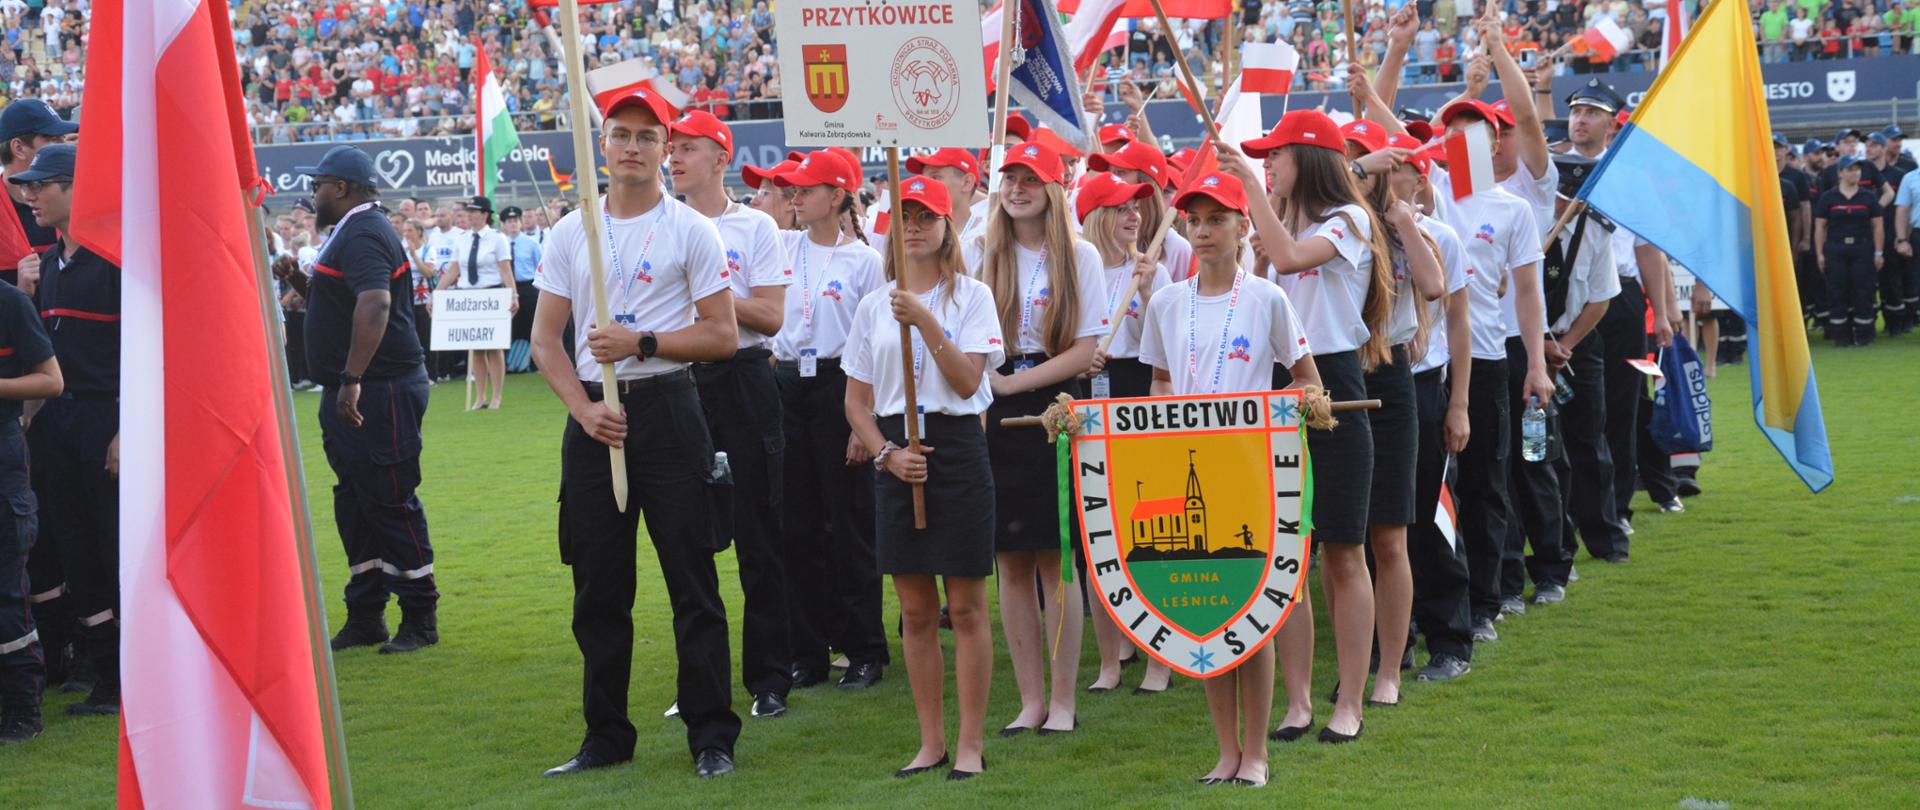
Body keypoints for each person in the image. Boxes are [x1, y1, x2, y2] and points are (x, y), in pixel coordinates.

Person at [529, 87, 742, 779]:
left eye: (648, 138)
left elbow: (722, 334)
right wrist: (584, 411)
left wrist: (642, 342)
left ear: (665, 149)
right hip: (595, 419)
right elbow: (546, 340)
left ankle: (711, 735)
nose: (632, 147)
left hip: (669, 410)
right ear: (605, 144)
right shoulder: (572, 230)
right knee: (597, 587)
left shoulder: (691, 231)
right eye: (620, 133)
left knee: (692, 580)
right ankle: (605, 736)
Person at [1136, 169, 1320, 786]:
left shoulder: (1267, 298)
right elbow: (1158, 385)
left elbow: (1307, 379)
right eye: (1195, 219)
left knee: (1252, 614)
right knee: (1207, 612)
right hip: (1192, 471)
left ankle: (1258, 752)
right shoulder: (1165, 301)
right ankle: (1225, 751)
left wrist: (1304, 403)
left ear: (1244, 226)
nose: (1204, 230)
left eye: (1217, 219)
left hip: (1252, 473)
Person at [1234, 109, 1394, 745]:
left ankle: (1348, 701)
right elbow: (1268, 284)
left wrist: (1250, 192)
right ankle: (1298, 702)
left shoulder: (1350, 220)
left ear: (1311, 159)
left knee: (1344, 551)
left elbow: (1291, 257)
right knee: (1287, 557)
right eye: (1262, 157)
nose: (1267, 164)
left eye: (1276, 154)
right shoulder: (1286, 224)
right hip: (1278, 385)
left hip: (1330, 383)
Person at [842, 175, 1000, 781]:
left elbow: (968, 383)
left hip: (956, 450)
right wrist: (885, 454)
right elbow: (856, 402)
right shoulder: (870, 304)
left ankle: (969, 743)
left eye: (926, 218)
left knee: (964, 606)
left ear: (946, 227)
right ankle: (930, 741)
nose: (913, 228)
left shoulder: (974, 297)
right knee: (913, 609)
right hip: (895, 454)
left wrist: (927, 322)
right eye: (904, 217)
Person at [668, 110, 803, 719]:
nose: (674, 158)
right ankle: (699, 684)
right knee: (686, 542)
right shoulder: (656, 225)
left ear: (721, 157)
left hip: (745, 379)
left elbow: (773, 318)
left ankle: (769, 678)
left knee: (758, 535)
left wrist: (716, 295)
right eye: (671, 148)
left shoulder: (755, 227)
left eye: (687, 148)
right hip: (679, 380)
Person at [286, 146, 440, 656]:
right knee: (355, 501)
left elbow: (375, 303)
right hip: (359, 388)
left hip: (380, 389)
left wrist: (353, 376)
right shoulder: (352, 232)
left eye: (319, 186)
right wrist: (297, 282)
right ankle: (366, 614)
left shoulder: (364, 232)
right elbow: (348, 301)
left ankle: (420, 617)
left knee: (390, 498)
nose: (313, 196)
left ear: (342, 189)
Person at [978, 140, 1107, 737]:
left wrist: (1015, 383)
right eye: (1009, 177)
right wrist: (992, 389)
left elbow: (1084, 352)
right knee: (1009, 561)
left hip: (1055, 407)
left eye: (1030, 178)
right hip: (995, 406)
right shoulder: (985, 252)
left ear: (1053, 189)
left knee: (1058, 561)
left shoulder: (1078, 258)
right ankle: (1029, 699)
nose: (1016, 188)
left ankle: (1062, 701)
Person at [768, 149, 889, 691]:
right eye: (792, 189)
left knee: (849, 525)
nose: (795, 197)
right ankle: (807, 652)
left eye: (806, 188)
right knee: (795, 527)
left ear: (837, 196)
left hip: (842, 386)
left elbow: (876, 343)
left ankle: (864, 649)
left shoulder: (865, 260)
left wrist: (862, 424)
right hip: (788, 384)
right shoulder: (783, 247)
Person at [1338, 119, 1447, 706]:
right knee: (1341, 538)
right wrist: (1355, 170)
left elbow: (1433, 287)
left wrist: (1403, 216)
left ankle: (1390, 670)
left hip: (1390, 378)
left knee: (1389, 536)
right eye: (1352, 157)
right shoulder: (1333, 224)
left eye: (1366, 156)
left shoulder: (1404, 222)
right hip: (1337, 374)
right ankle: (1358, 662)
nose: (1363, 167)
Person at [13, 145, 121, 715]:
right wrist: (27, 298)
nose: (28, 195)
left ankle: (129, 675)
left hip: (106, 424)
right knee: (77, 552)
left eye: (41, 185)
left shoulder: (117, 262)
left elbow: (146, 353)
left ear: (80, 188)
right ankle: (105, 675)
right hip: (59, 428)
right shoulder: (48, 266)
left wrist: (127, 428)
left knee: (112, 551)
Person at [1074, 171, 1174, 695]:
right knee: (1095, 536)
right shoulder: (1077, 270)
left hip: (1139, 390)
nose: (1133, 214)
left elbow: (1169, 350)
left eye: (1136, 205)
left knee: (1145, 530)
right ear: (1094, 216)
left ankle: (1160, 659)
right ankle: (1109, 661)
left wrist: (1155, 287)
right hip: (1090, 394)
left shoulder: (1147, 271)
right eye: (1119, 207)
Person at [1382, 133, 1477, 683]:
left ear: (1419, 180)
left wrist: (1458, 404)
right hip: (1377, 382)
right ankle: (1392, 642)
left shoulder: (1441, 237)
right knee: (1381, 522)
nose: (1386, 182)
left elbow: (1459, 324)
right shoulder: (1354, 236)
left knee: (1432, 517)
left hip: (1423, 383)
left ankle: (1451, 640)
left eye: (1399, 171)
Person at [1530, 154, 1623, 596]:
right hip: (1530, 347)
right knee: (1542, 451)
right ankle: (1555, 545)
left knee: (1590, 440)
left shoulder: (1597, 232)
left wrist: (1565, 346)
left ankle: (1606, 536)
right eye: (1565, 196)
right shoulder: (1529, 222)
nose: (1570, 204)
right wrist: (1541, 345)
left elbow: (1601, 297)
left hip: (1576, 346)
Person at [0, 271, 61, 743]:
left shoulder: (10, 304)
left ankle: (23, 710)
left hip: (3, 464)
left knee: (6, 592)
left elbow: (51, 380)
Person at [436, 195, 516, 410]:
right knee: (476, 349)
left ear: (485, 214)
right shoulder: (461, 239)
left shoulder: (497, 238)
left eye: (474, 211)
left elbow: (505, 269)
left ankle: (497, 396)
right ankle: (480, 396)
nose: (469, 215)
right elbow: (454, 269)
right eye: (467, 211)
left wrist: (513, 295)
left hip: (491, 294)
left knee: (494, 346)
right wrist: (437, 292)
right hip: (468, 296)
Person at [1087, 140, 1196, 280]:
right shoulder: (1102, 234)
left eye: (1120, 172)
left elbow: (1183, 300)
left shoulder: (1177, 247)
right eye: (1110, 173)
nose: (1111, 179)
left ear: (1146, 182)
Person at [0, 98, 73, 290]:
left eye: (63, 139)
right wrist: (18, 296)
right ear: (19, 148)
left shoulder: (71, 198)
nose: (63, 146)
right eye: (53, 139)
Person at [1814, 156, 1884, 347]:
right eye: (1850, 169)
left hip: (1862, 248)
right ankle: (1841, 337)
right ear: (1840, 173)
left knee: (1863, 290)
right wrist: (1820, 254)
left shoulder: (1868, 197)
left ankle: (1864, 336)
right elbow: (1820, 227)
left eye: (1857, 169)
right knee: (1837, 291)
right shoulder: (1828, 197)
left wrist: (1878, 253)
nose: (1855, 173)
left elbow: (1877, 226)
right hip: (1836, 249)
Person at [501, 205, 543, 372]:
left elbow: (540, 266)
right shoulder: (501, 242)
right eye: (509, 221)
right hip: (508, 287)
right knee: (508, 327)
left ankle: (534, 363)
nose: (512, 224)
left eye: (515, 221)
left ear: (520, 223)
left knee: (533, 326)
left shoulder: (531, 243)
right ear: (503, 224)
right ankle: (509, 364)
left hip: (527, 286)